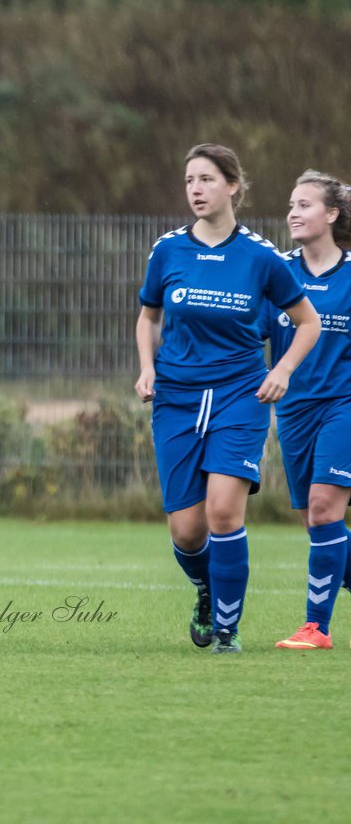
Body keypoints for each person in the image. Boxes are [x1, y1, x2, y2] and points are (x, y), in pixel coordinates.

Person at [135, 144, 319, 655]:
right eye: (190, 180)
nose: (195, 189)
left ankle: (227, 631)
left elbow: (309, 322)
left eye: (207, 179)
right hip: (175, 397)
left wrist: (281, 370)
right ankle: (206, 587)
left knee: (222, 514)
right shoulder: (168, 250)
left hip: (240, 396)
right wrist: (147, 369)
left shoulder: (261, 257)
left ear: (233, 186)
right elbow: (148, 317)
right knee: (188, 532)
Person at [271, 171, 351, 650]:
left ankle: (315, 627)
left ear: (332, 214)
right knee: (318, 523)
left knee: (324, 508)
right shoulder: (278, 274)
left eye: (304, 204)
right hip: (294, 412)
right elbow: (246, 334)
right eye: (291, 204)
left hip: (344, 407)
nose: (293, 213)